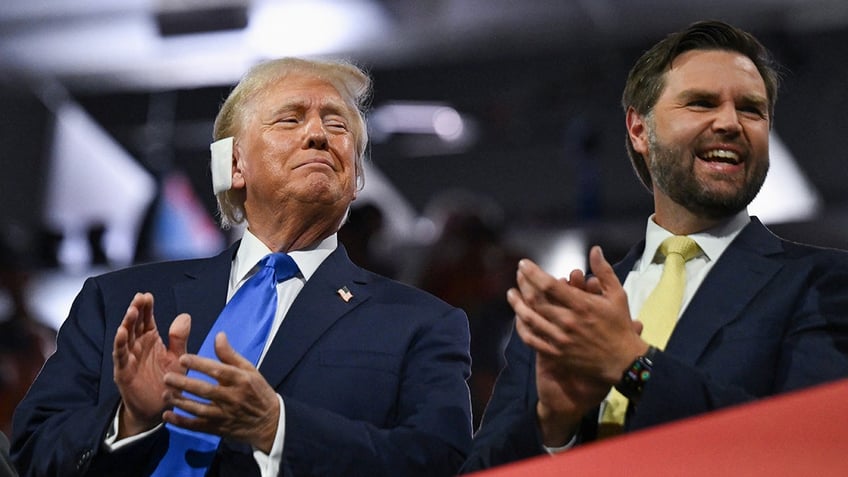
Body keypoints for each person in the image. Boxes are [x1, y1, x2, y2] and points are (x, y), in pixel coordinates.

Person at [12, 57, 472, 477]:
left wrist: (280, 430)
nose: (318, 134)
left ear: (355, 179)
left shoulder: (421, 324)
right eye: (291, 119)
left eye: (337, 125)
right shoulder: (116, 301)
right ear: (235, 166)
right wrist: (129, 420)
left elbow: (439, 462)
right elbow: (32, 454)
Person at [461, 20, 848, 472]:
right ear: (639, 130)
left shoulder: (821, 285)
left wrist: (633, 367)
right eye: (701, 103)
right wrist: (553, 425)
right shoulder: (569, 318)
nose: (729, 122)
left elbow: (809, 450)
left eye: (751, 109)